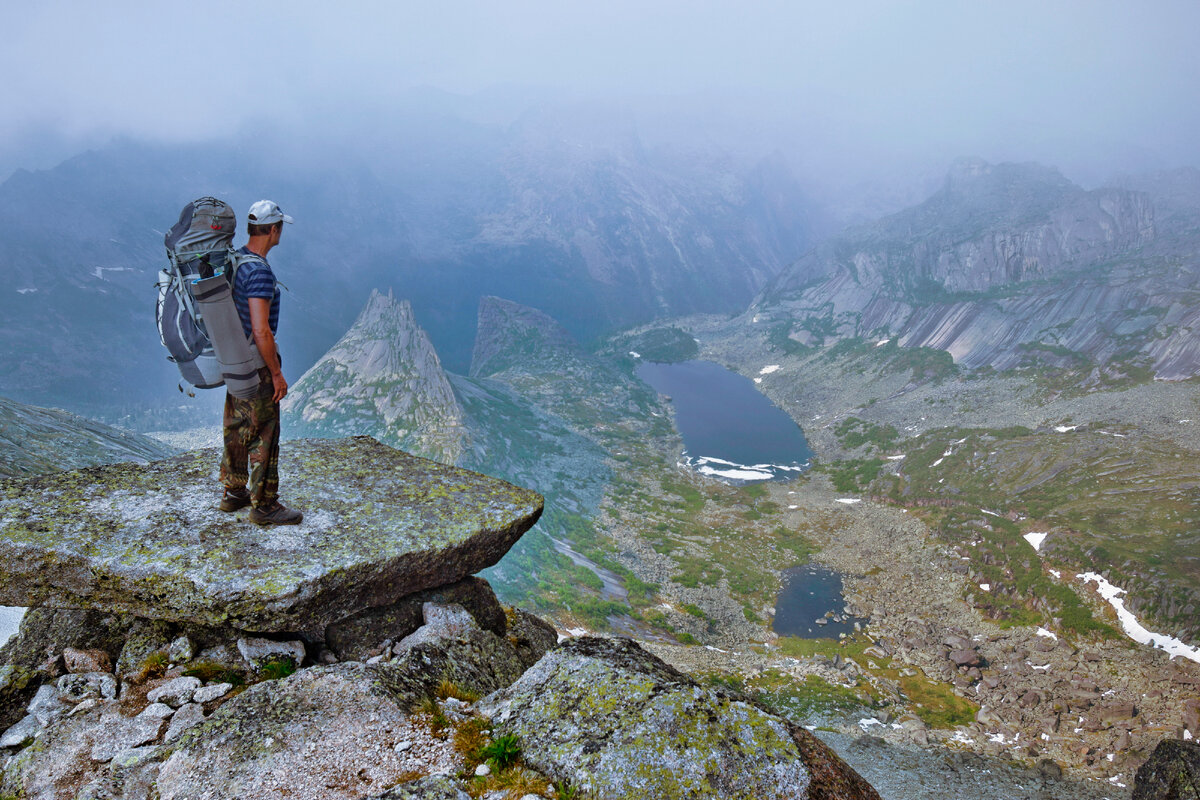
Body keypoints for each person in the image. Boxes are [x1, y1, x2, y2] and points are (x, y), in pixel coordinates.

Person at [218, 200, 303, 525]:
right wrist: (276, 373)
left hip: (233, 359)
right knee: (265, 430)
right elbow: (261, 329)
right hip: (256, 363)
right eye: (280, 227)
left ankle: (234, 492)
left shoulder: (236, 260)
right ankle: (265, 505)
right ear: (273, 230)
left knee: (237, 425)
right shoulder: (260, 272)